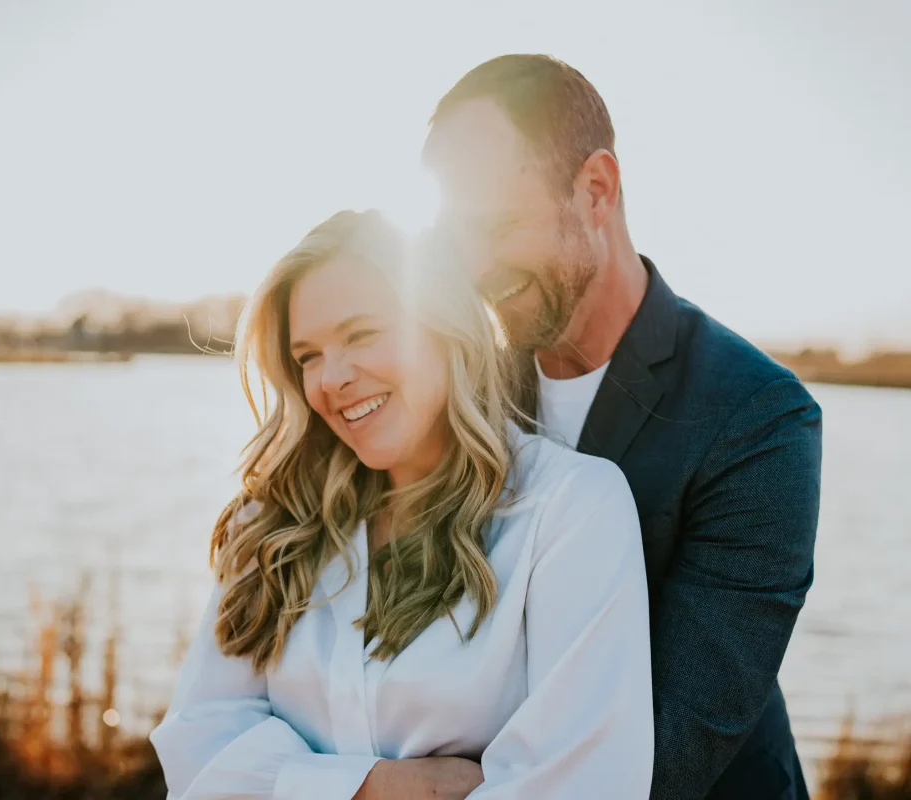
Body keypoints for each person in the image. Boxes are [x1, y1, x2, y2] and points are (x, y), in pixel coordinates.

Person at [423, 54, 823, 799]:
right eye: (457, 235)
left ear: (597, 189)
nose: (474, 266)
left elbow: (676, 740)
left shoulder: (761, 420)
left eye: (501, 225)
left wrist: (432, 786)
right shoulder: (464, 386)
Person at [149, 210, 653, 799]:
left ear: (446, 329)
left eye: (362, 334)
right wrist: (381, 789)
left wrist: (288, 783)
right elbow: (197, 751)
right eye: (307, 355)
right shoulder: (269, 522)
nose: (331, 378)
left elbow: (584, 786)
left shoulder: (571, 512)